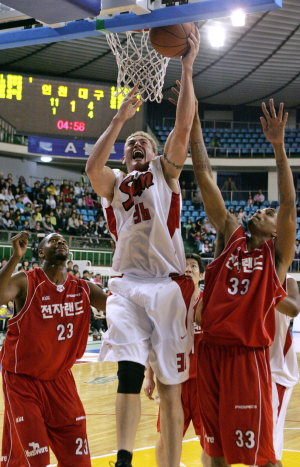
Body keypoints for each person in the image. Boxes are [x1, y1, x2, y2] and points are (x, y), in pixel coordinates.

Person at [85, 31, 200, 467]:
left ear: (153, 153)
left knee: (171, 386)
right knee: (129, 373)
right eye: (132, 144)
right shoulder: (113, 183)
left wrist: (187, 68)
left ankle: (168, 464)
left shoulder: (165, 173)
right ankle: (124, 458)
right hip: (128, 285)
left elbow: (184, 127)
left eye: (143, 142)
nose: (136, 144)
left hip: (168, 286)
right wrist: (119, 120)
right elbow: (93, 167)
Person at [190, 98, 296, 466]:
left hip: (246, 359)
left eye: (268, 213)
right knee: (214, 450)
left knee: (261, 457)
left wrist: (279, 148)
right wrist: (192, 123)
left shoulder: (276, 257)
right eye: (261, 209)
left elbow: (287, 204)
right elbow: (204, 175)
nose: (262, 211)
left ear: (274, 232)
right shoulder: (229, 235)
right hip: (209, 353)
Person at [0, 231, 107, 466]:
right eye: (52, 241)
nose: (60, 242)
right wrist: (15, 257)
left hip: (61, 380)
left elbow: (118, 308)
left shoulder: (84, 288)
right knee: (34, 461)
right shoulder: (26, 281)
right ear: (41, 252)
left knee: (79, 461)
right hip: (23, 382)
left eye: (62, 240)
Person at [144, 253, 210, 467]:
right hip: (174, 382)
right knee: (165, 437)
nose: (189, 269)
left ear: (201, 275)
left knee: (211, 441)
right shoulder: (168, 305)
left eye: (193, 266)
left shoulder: (209, 302)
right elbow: (155, 342)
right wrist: (149, 376)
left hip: (204, 384)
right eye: (185, 267)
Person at [268, 275, 300, 467]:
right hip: (247, 368)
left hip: (275, 371)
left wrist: (263, 285)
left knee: (269, 450)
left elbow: (294, 308)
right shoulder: (244, 273)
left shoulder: (287, 280)